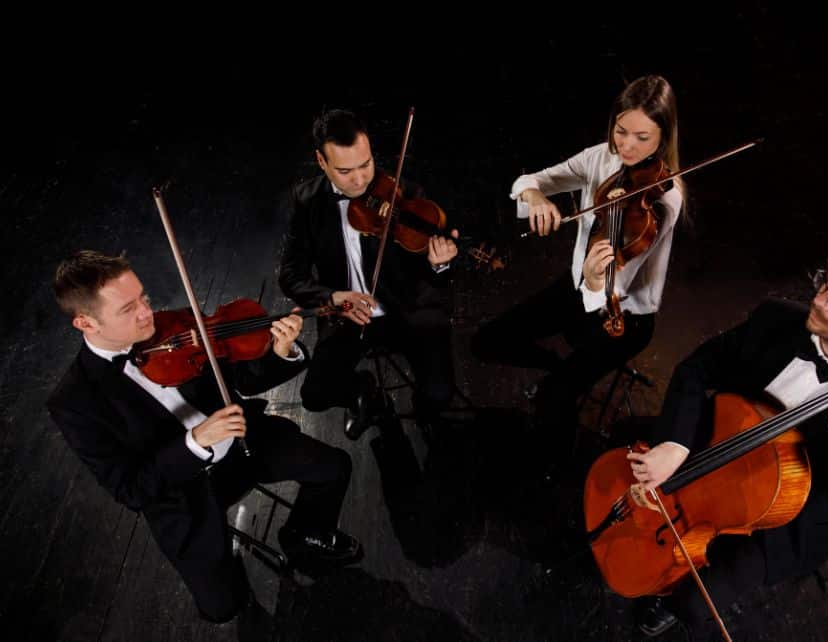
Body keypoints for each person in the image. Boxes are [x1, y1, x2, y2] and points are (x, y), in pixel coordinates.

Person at [629, 237, 828, 639]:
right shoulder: (776, 318)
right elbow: (697, 368)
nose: (821, 301)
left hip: (783, 522)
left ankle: (668, 601)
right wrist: (675, 445)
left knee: (694, 602)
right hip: (714, 451)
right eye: (826, 283)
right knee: (632, 453)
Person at [47, 251, 360, 626]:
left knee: (334, 467)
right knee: (222, 608)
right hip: (183, 498)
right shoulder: (73, 402)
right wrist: (195, 441)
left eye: (143, 297)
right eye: (128, 309)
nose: (148, 312)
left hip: (243, 444)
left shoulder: (173, 326)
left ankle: (305, 532)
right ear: (85, 322)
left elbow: (242, 380)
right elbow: (131, 489)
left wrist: (281, 352)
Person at [471, 75, 685, 465]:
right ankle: (558, 367)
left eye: (643, 137)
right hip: (576, 289)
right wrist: (535, 197)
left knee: (555, 398)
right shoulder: (600, 158)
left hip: (622, 316)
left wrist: (591, 277)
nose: (628, 146)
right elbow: (529, 181)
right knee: (487, 342)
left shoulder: (665, 199)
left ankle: (553, 472)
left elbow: (614, 284)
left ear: (663, 137)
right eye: (621, 132)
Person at [279, 109, 458, 440]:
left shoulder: (404, 193)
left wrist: (439, 263)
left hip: (407, 307)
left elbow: (431, 274)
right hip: (346, 316)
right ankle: (364, 393)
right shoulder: (308, 201)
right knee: (315, 395)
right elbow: (290, 275)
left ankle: (427, 413)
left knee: (439, 392)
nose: (360, 180)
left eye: (366, 165)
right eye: (345, 171)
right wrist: (332, 297)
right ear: (321, 162)